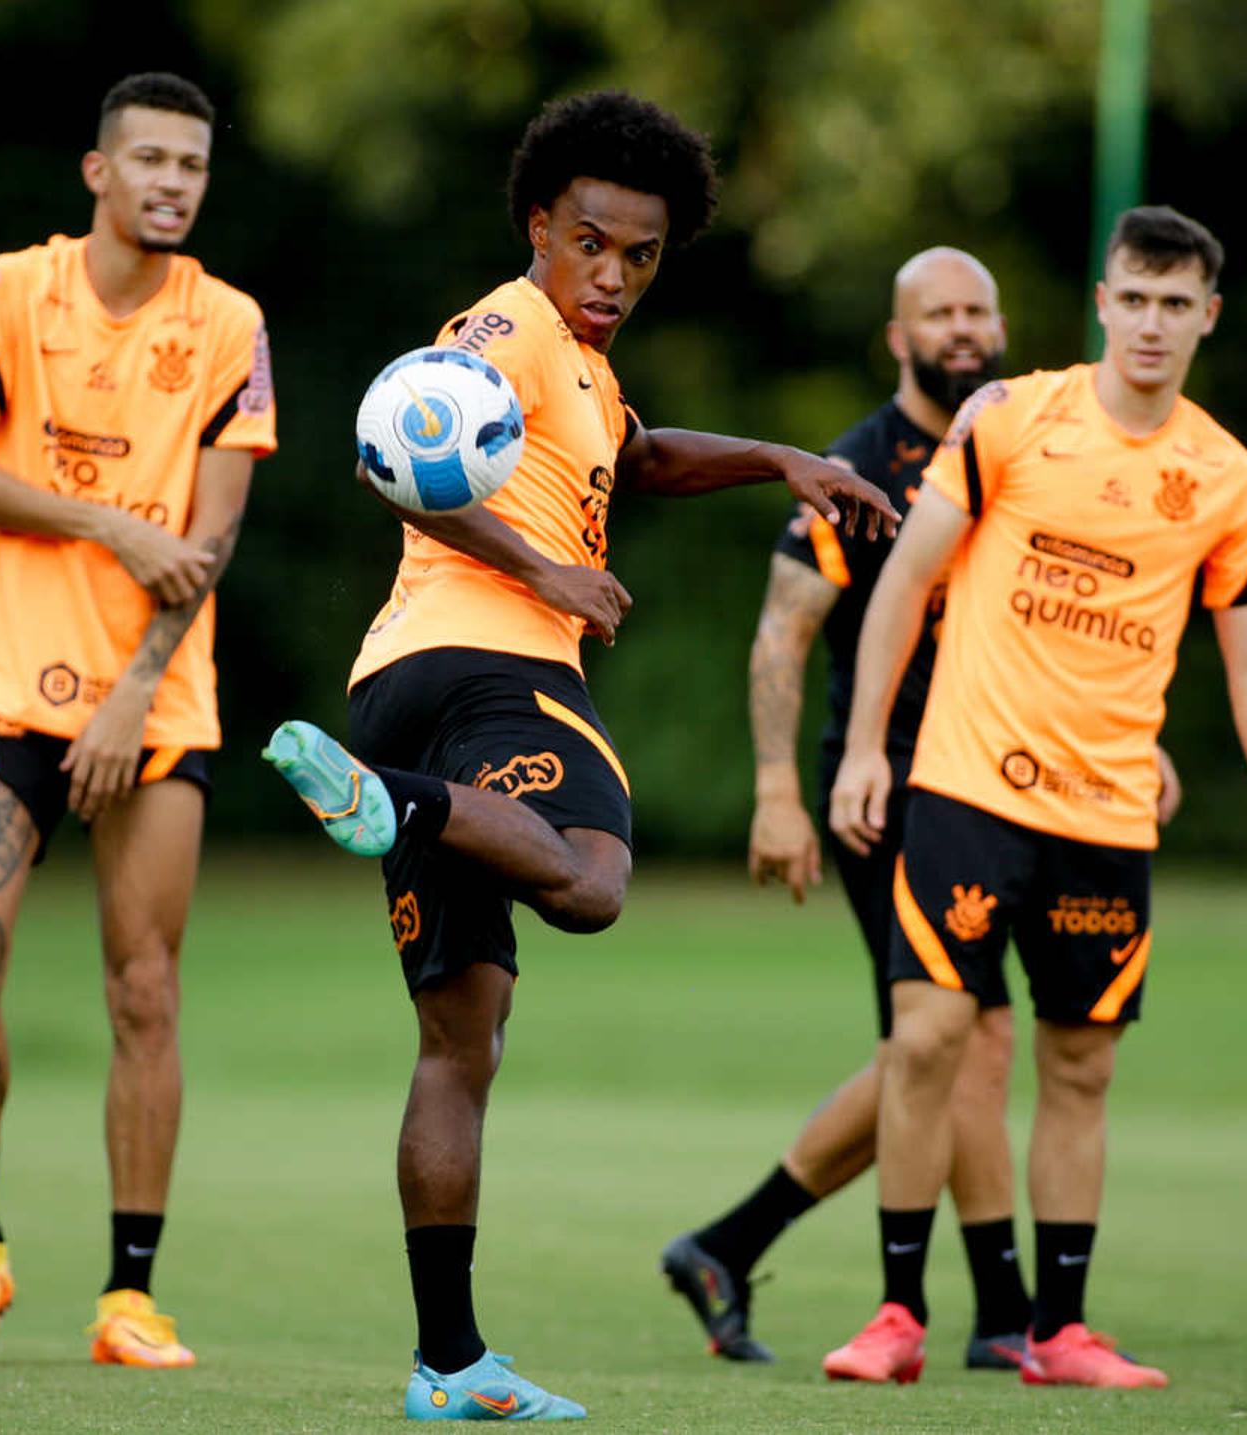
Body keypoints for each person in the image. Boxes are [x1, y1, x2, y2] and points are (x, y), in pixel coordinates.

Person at [262, 91, 898, 1421]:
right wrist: (547, 564)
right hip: (493, 669)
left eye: (641, 255)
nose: (612, 275)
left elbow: (643, 456)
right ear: (541, 227)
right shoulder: (509, 326)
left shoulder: (585, 374)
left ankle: (447, 1361)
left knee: (460, 1037)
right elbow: (397, 447)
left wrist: (782, 457)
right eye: (591, 242)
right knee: (598, 881)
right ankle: (395, 803)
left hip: (393, 683)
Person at [661, 249, 1187, 1377]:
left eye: (978, 309)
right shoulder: (863, 465)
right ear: (897, 338)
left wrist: (1136, 739)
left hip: (1028, 775)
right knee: (965, 1040)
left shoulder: (1028, 436)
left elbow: (1082, 615)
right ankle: (1000, 1313)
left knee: (935, 1047)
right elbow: (782, 632)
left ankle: (728, 1245)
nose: (962, 328)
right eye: (937, 314)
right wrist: (773, 794)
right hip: (893, 786)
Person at [825, 205, 1247, 1390]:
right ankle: (896, 1314)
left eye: (1175, 303)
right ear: (1102, 303)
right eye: (1132, 298)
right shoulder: (1015, 420)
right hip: (964, 785)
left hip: (1106, 813)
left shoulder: (1225, 477)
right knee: (931, 1033)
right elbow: (904, 577)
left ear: (1208, 316)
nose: (1151, 323)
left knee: (1081, 1065)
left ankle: (1059, 1330)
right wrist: (860, 752)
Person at [0, 72, 275, 1368]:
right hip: (4, 681)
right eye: (154, 161)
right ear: (98, 173)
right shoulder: (10, 290)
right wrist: (111, 520)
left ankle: (130, 1294)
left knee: (145, 991)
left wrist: (132, 693)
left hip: (157, 702)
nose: (176, 182)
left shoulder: (230, 323)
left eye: (194, 165)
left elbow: (214, 537)